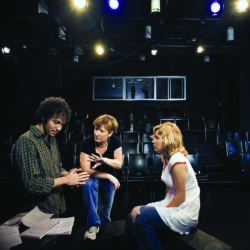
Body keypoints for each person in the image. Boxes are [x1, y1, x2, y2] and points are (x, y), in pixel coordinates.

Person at [121, 122, 200, 250]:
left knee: (140, 217)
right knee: (132, 215)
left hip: (184, 213)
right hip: (174, 207)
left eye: (157, 138)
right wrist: (151, 208)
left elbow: (180, 197)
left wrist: (159, 211)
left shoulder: (177, 160)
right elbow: (169, 196)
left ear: (168, 139)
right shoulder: (166, 159)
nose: (153, 141)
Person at [11, 97, 89, 218]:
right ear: (44, 117)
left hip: (56, 208)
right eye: (56, 122)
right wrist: (66, 180)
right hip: (36, 214)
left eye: (62, 124)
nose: (59, 128)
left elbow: (57, 168)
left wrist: (67, 174)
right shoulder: (27, 141)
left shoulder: (52, 140)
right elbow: (31, 184)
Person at [80, 114, 123, 240]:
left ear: (110, 133)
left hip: (109, 180)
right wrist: (108, 175)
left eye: (101, 131)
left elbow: (119, 164)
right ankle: (92, 225)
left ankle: (104, 225)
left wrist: (104, 160)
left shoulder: (115, 141)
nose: (96, 133)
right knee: (88, 183)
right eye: (95, 129)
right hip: (93, 176)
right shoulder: (86, 143)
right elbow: (86, 170)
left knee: (106, 204)